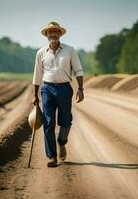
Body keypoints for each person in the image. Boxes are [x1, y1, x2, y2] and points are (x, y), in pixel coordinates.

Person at [32, 21, 84, 167]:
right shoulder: (41, 53)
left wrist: (80, 88)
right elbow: (37, 75)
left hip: (64, 89)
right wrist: (35, 95)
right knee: (48, 123)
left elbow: (78, 70)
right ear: (47, 35)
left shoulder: (70, 50)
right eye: (50, 32)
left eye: (55, 32)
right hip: (47, 89)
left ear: (60, 34)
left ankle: (62, 142)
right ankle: (52, 157)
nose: (53, 34)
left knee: (66, 120)